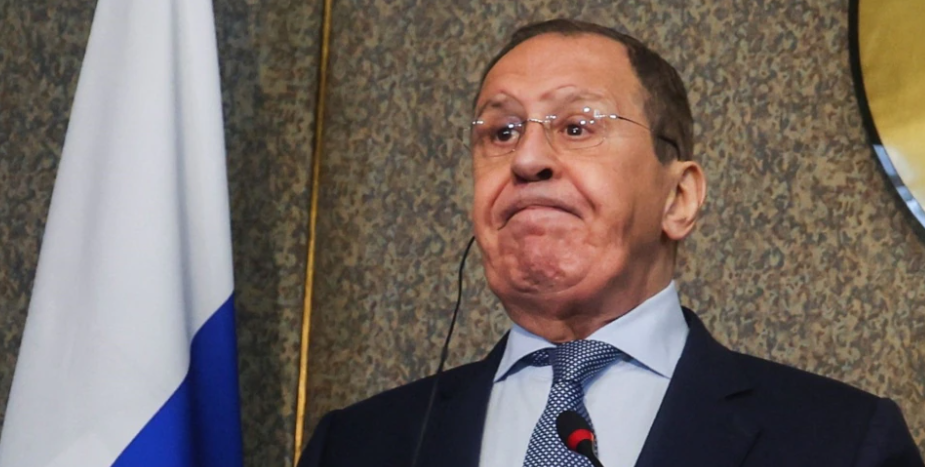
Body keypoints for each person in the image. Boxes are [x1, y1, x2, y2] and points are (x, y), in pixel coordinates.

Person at [298, 19, 923, 467]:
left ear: (679, 198)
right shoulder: (354, 445)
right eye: (502, 131)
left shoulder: (840, 442)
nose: (527, 159)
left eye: (577, 126)